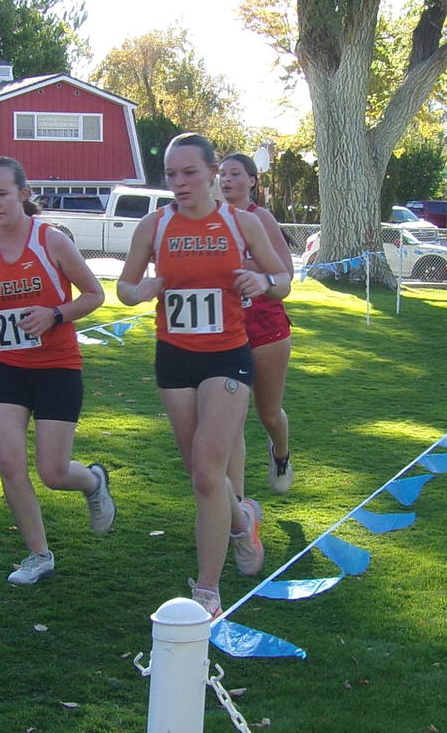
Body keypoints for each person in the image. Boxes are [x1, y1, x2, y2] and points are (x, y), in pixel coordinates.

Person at [117, 133, 291, 618]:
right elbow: (124, 287)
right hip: (174, 357)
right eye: (171, 174)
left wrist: (262, 281)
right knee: (200, 474)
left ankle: (207, 592)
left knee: (209, 471)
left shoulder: (242, 223)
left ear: (213, 172)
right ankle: (242, 517)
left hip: (227, 355)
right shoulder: (155, 225)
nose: (178, 183)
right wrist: (142, 289)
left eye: (188, 172)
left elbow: (284, 281)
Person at [0, 156, 115, 585]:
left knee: (53, 473)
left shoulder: (51, 241)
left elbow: (95, 294)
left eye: (2, 194)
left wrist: (55, 314)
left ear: (23, 194)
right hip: (8, 367)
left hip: (58, 367)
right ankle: (38, 554)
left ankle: (92, 480)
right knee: (8, 463)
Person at [218, 153, 295, 495]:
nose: (226, 180)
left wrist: (250, 269)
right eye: (221, 174)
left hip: (266, 328)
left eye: (235, 173)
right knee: (230, 421)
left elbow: (286, 276)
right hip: (224, 331)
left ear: (251, 180)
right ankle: (237, 503)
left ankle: (281, 454)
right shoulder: (211, 219)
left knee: (268, 414)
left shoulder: (259, 217)